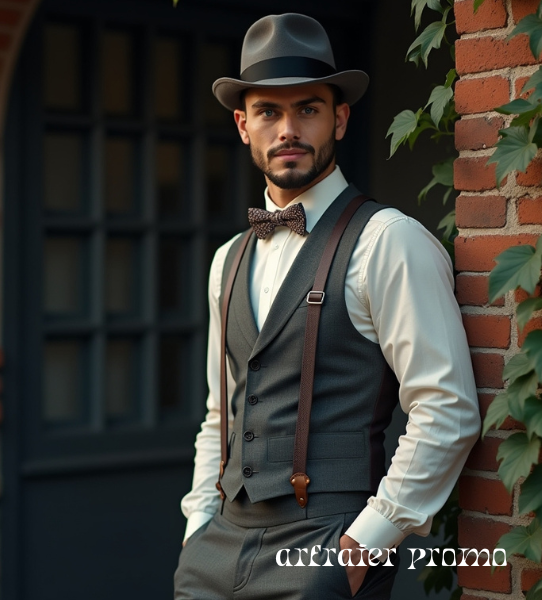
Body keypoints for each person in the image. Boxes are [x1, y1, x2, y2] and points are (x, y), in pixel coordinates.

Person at [174, 13, 480, 600]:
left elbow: (447, 410)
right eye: (268, 111)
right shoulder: (227, 259)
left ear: (339, 118)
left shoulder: (389, 240)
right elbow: (222, 417)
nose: (287, 128)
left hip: (327, 545)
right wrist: (196, 529)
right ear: (242, 125)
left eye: (307, 109)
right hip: (216, 554)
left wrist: (360, 548)